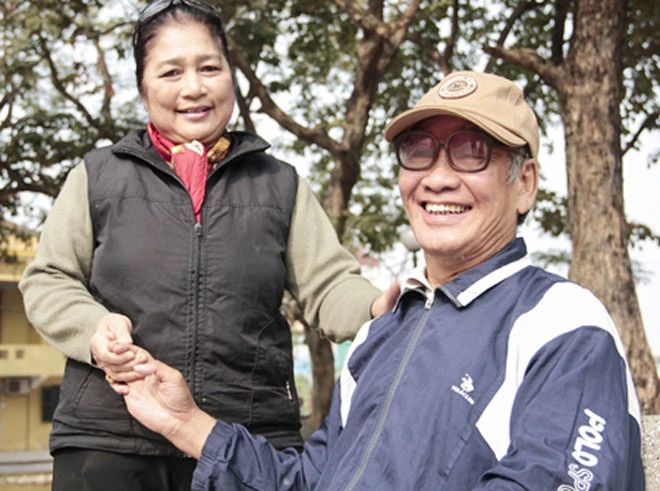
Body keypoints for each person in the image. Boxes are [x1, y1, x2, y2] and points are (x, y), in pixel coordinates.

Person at [114, 70, 646, 490]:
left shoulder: (561, 324)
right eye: (419, 150)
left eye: (472, 150)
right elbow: (312, 481)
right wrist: (185, 422)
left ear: (524, 183)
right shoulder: (381, 335)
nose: (437, 176)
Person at [18, 1, 398, 489]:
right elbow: (48, 279)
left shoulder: (278, 184)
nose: (194, 87)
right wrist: (94, 329)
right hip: (108, 443)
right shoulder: (97, 177)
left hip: (245, 442)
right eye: (171, 72)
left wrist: (374, 307)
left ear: (232, 77)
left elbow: (328, 283)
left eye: (210, 68)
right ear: (143, 87)